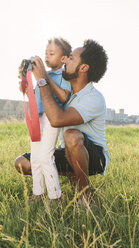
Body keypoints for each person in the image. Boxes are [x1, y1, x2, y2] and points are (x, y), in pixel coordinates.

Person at [15, 39, 110, 204]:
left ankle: (84, 194)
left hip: (94, 157)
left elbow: (57, 119)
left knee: (71, 136)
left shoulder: (93, 98)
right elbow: (44, 102)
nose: (66, 60)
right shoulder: (64, 90)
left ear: (83, 68)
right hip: (67, 151)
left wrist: (43, 79)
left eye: (71, 58)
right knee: (22, 163)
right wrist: (28, 84)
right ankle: (73, 173)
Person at [19, 38, 72, 203]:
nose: (46, 57)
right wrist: (25, 81)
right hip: (37, 118)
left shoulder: (64, 76)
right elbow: (34, 97)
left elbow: (64, 96)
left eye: (51, 53)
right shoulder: (43, 75)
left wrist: (44, 78)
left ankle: (56, 197)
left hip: (51, 119)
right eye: (45, 53)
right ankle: (38, 192)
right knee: (35, 157)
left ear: (63, 59)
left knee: (45, 157)